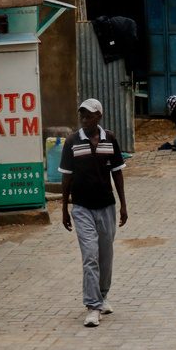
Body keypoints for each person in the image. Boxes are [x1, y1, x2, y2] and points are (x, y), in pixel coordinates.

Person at [59, 98, 128, 327]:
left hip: (106, 206)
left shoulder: (110, 139)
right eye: (82, 116)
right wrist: (64, 209)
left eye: (88, 116)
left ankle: (103, 296)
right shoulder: (72, 142)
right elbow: (66, 176)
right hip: (81, 208)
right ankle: (92, 306)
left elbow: (117, 173)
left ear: (98, 116)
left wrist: (123, 205)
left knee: (105, 256)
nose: (84, 120)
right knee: (90, 256)